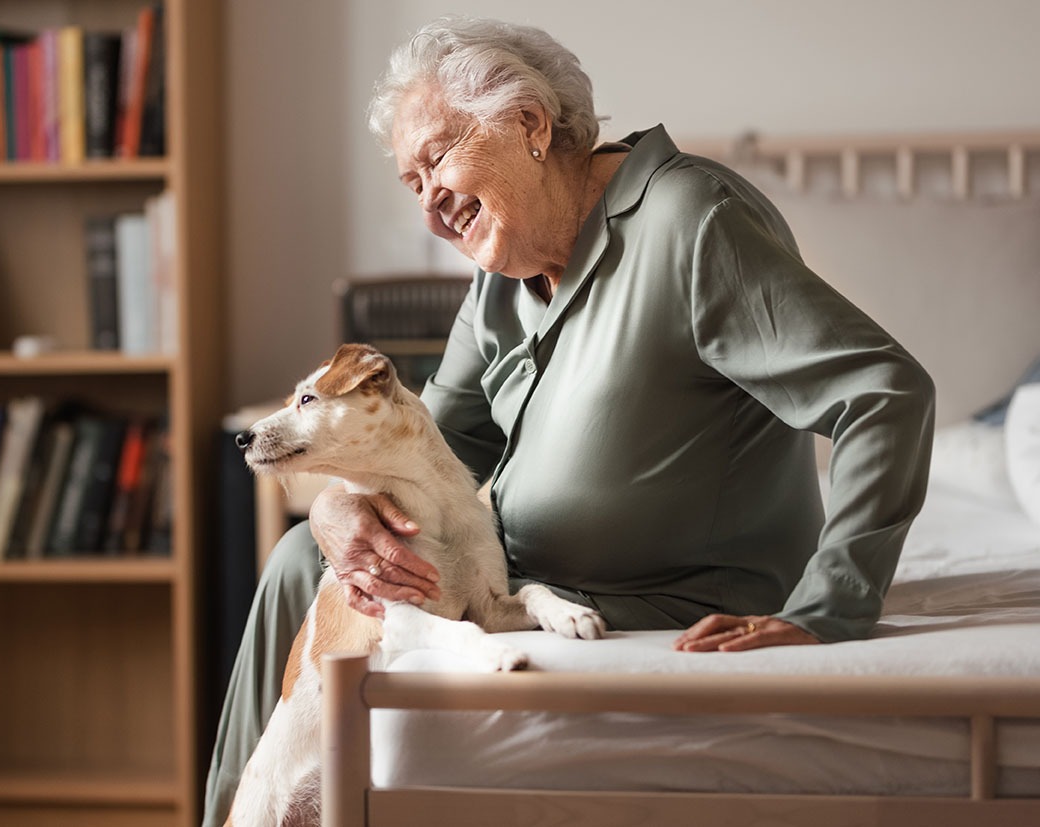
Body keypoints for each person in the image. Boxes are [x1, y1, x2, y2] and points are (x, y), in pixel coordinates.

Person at [203, 15, 934, 825]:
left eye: (437, 157)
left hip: (666, 600)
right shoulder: (504, 278)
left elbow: (884, 391)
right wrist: (341, 503)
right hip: (526, 585)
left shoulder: (691, 222)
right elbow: (432, 450)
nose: (431, 209)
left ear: (529, 124)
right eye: (412, 183)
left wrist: (826, 610)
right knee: (304, 555)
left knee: (312, 571)